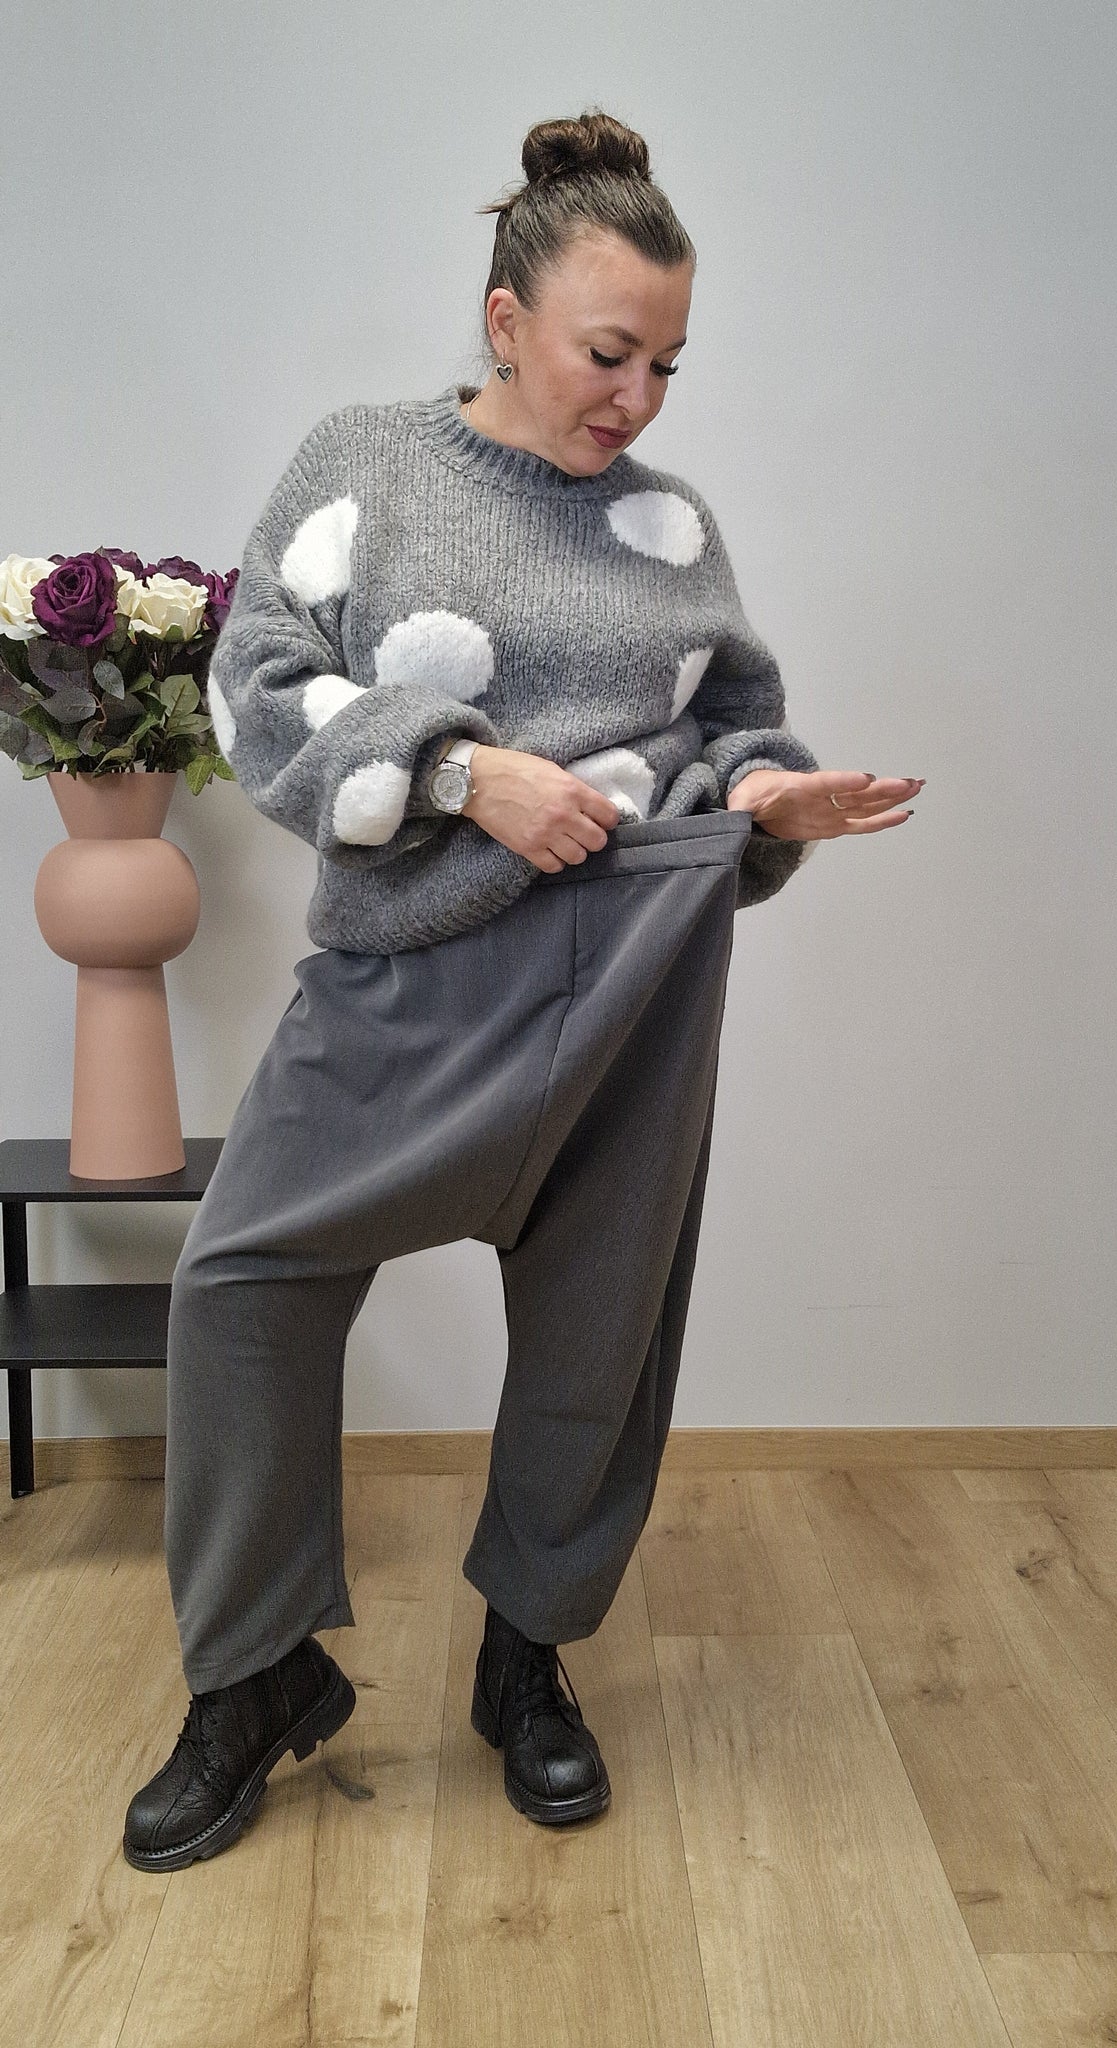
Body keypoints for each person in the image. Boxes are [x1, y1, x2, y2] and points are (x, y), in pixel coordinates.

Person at [122, 108, 924, 1872]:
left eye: (668, 365)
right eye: (607, 352)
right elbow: (257, 681)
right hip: (414, 967)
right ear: (506, 319)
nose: (637, 397)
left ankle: (527, 1657)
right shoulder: (366, 463)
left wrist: (770, 797)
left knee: (597, 1332)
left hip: (637, 971)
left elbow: (733, 725)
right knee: (244, 1282)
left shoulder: (671, 522)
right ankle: (253, 1674)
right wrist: (461, 769)